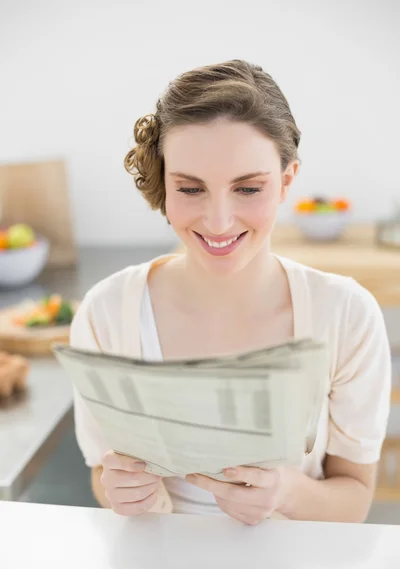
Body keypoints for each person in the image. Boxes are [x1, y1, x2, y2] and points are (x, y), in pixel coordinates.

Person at [70, 59, 391, 525]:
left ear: (285, 182)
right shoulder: (108, 312)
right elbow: (104, 474)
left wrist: (285, 492)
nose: (218, 222)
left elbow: (354, 498)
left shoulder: (346, 314)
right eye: (191, 188)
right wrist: (120, 491)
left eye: (247, 188)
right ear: (165, 183)